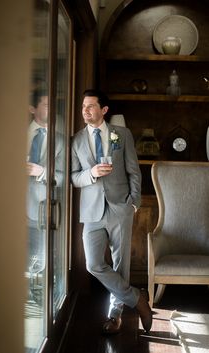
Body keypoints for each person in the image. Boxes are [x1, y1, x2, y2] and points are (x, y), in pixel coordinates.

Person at [71, 89, 152, 334]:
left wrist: (134, 201)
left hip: (120, 207)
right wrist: (91, 174)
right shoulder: (76, 140)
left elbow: (133, 171)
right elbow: (74, 178)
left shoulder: (121, 135)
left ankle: (114, 316)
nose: (85, 110)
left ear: (104, 110)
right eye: (83, 106)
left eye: (91, 106)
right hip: (92, 211)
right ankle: (137, 299)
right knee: (93, 264)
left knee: (120, 265)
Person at [26, 88, 48, 281]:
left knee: (40, 259)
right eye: (47, 105)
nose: (52, 109)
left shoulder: (60, 137)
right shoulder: (18, 135)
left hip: (46, 209)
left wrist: (42, 172)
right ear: (32, 109)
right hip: (16, 207)